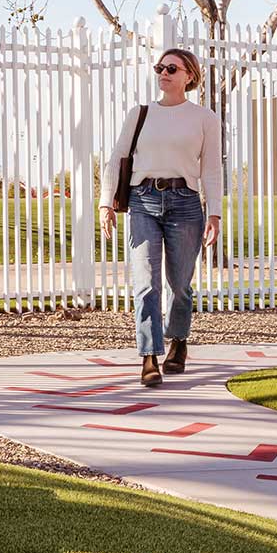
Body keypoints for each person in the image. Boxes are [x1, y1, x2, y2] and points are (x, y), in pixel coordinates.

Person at [105, 46, 224, 386]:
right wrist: (105, 203)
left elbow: (211, 169)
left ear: (190, 76)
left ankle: (179, 341)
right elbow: (117, 157)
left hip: (185, 203)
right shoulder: (140, 114)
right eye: (160, 68)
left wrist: (214, 213)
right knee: (145, 283)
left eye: (172, 69)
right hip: (143, 200)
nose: (164, 73)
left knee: (180, 285)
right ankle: (149, 356)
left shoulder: (205, 118)